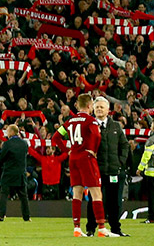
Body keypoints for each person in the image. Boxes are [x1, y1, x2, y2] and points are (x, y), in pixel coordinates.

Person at [58, 93, 110, 237]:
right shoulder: (91, 121)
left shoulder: (70, 121)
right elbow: (97, 135)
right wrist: (93, 150)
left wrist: (67, 151)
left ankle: (76, 228)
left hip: (73, 158)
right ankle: (101, 228)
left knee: (77, 193)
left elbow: (56, 137)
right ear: (89, 106)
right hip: (86, 158)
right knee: (96, 193)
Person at [87, 98, 127, 236]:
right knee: (94, 200)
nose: (99, 109)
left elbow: (125, 145)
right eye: (97, 107)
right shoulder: (89, 125)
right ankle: (90, 229)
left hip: (112, 170)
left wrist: (120, 162)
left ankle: (116, 229)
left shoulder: (116, 126)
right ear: (93, 109)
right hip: (95, 170)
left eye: (101, 107)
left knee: (113, 201)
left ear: (108, 110)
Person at [0, 124, 29, 222]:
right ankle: (26, 217)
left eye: (8, 131)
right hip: (21, 174)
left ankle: (1, 216)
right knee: (23, 196)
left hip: (9, 173)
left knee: (4, 195)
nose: (7, 133)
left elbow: (1, 158)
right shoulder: (24, 143)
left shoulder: (7, 144)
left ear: (12, 132)